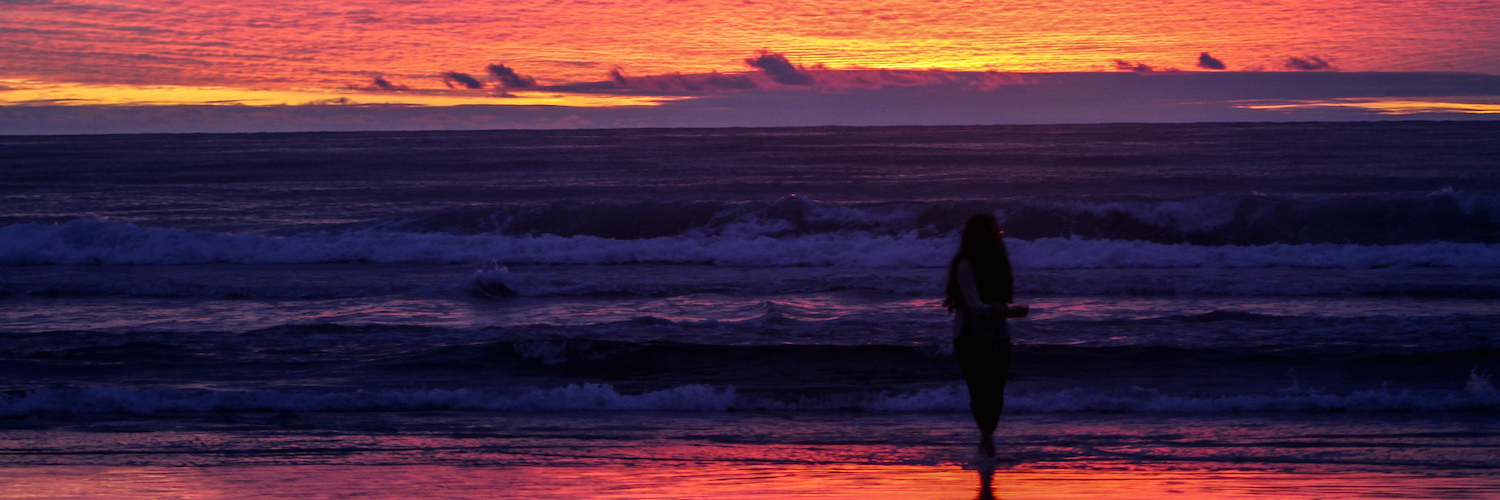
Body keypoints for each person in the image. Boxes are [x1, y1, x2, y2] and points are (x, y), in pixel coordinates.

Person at [945, 214, 1026, 459]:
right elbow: (973, 304)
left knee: (997, 390)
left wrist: (1006, 311)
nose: (998, 235)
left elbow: (1001, 299)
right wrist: (1002, 311)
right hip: (970, 337)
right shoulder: (965, 264)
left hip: (997, 334)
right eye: (994, 232)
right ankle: (986, 439)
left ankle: (987, 438)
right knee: (980, 391)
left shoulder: (1000, 261)